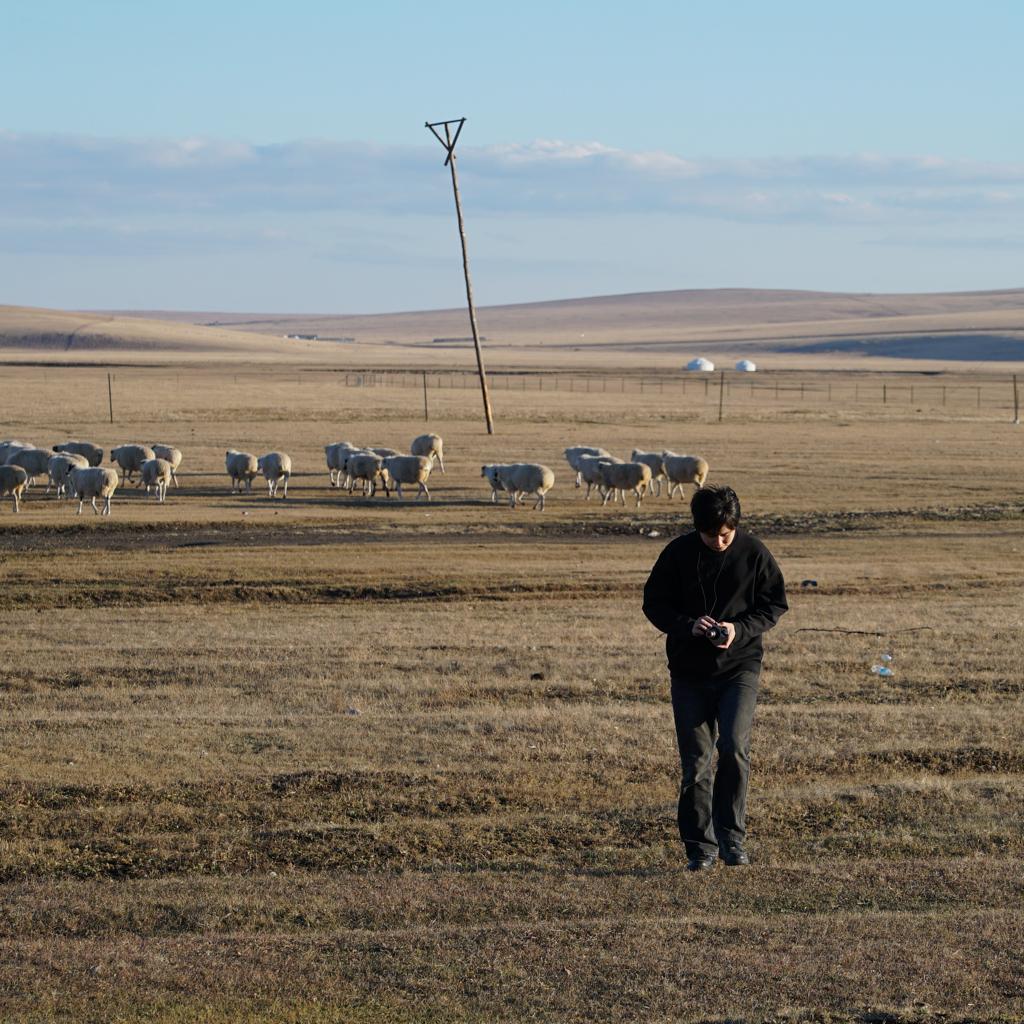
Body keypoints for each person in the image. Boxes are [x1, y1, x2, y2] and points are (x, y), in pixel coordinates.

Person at [642, 485, 788, 871]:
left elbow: (774, 604)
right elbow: (653, 603)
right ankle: (700, 849)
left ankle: (732, 841)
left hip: (740, 668)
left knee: (735, 750)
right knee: (696, 762)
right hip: (689, 673)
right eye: (711, 535)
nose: (720, 541)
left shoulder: (754, 553)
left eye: (726, 533)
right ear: (697, 528)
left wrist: (738, 629)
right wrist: (688, 626)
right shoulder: (677, 553)